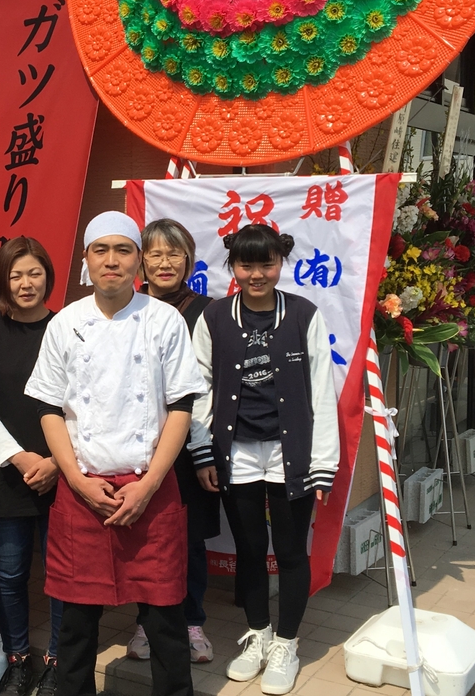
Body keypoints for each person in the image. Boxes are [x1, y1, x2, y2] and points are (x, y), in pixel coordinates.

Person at [25, 211, 207, 696]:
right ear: (86, 260)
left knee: (166, 621)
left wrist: (148, 486)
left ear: (138, 260)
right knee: (76, 624)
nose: (112, 260)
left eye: (123, 250)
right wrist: (77, 480)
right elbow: (49, 408)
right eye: (100, 250)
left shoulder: (164, 320)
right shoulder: (65, 323)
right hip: (83, 488)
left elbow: (181, 407)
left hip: (151, 487)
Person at [190, 224, 340, 696]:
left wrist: (323, 462)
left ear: (281, 263)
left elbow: (322, 390)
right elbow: (199, 387)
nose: (256, 274)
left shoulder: (303, 315)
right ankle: (258, 634)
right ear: (232, 266)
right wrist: (202, 451)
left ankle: (287, 644)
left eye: (266, 264)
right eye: (246, 264)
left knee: (291, 552)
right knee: (250, 549)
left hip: (288, 453)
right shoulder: (215, 317)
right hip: (236, 453)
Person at [0, 237, 62, 696]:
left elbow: (88, 404)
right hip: (7, 474)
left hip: (65, 472)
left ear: (47, 277)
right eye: (16, 275)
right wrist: (21, 458)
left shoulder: (68, 329)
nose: (26, 283)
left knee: (62, 573)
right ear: (2, 280)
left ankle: (59, 661)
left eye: (34, 273)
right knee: (10, 571)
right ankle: (17, 659)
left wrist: (57, 461)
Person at [126, 219, 220, 665]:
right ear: (141, 261)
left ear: (189, 260)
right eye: (155, 254)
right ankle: (147, 623)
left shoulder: (208, 312)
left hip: (189, 447)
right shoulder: (128, 308)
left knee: (190, 539)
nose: (165, 263)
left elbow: (207, 388)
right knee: (146, 538)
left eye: (174, 253)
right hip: (137, 446)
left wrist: (202, 451)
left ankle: (192, 622)